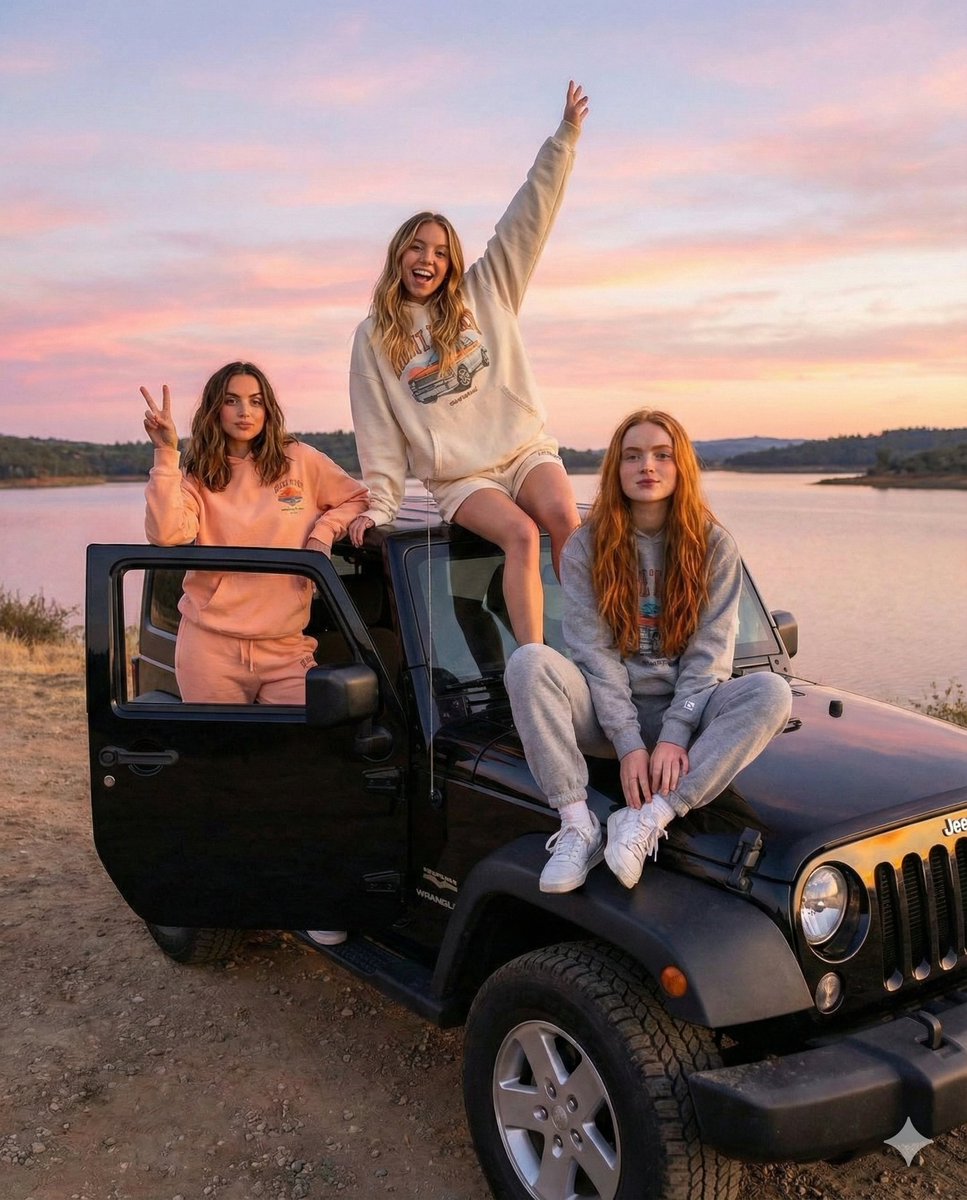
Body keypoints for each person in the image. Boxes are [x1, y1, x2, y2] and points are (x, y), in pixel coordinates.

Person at [505, 409, 792, 894]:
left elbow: (710, 655)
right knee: (528, 661)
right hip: (604, 713)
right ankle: (577, 823)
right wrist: (629, 744)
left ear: (681, 467)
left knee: (771, 692)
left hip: (691, 713)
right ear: (615, 469)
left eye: (662, 455)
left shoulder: (714, 546)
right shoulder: (585, 547)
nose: (648, 467)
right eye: (632, 456)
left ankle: (649, 819)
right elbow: (594, 655)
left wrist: (677, 733)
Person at [347, 81, 589, 646]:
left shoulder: (488, 290)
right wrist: (380, 505)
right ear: (398, 255)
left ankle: (595, 648)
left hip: (525, 448)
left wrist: (565, 139)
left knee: (567, 524)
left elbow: (528, 218)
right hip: (462, 477)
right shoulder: (375, 337)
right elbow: (378, 434)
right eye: (416, 246)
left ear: (452, 261)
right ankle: (536, 665)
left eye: (438, 250)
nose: (426, 257)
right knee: (523, 537)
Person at [141, 361, 369, 706]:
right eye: (232, 401)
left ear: (268, 409)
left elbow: (359, 499)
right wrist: (165, 453)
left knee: (308, 750)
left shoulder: (300, 460)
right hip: (210, 648)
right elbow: (165, 533)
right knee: (225, 755)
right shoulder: (198, 473)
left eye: (256, 401)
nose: (245, 411)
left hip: (286, 645)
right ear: (215, 409)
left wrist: (323, 531)